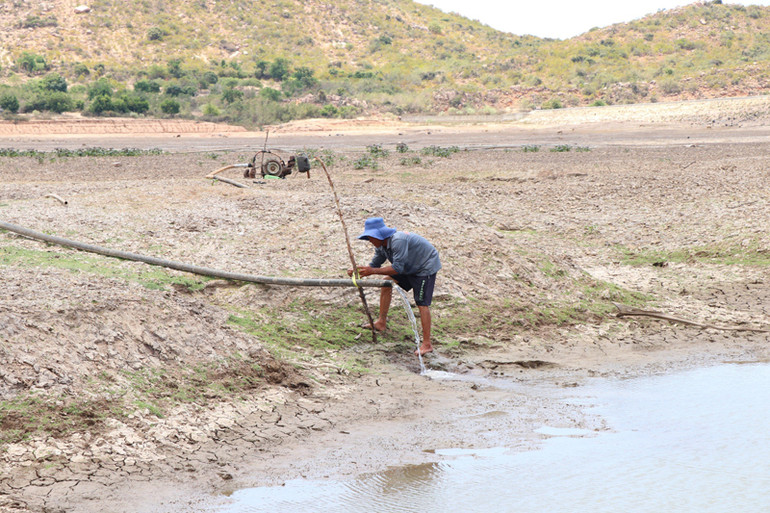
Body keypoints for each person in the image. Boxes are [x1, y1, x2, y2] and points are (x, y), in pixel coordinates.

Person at [348, 217, 441, 356]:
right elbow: (375, 265)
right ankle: (381, 322)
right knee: (386, 282)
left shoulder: (398, 241)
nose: (370, 241)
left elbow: (397, 268)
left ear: (378, 235)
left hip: (424, 267)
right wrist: (360, 271)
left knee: (422, 303)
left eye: (371, 238)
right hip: (407, 267)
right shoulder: (380, 246)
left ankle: (427, 344)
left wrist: (372, 271)